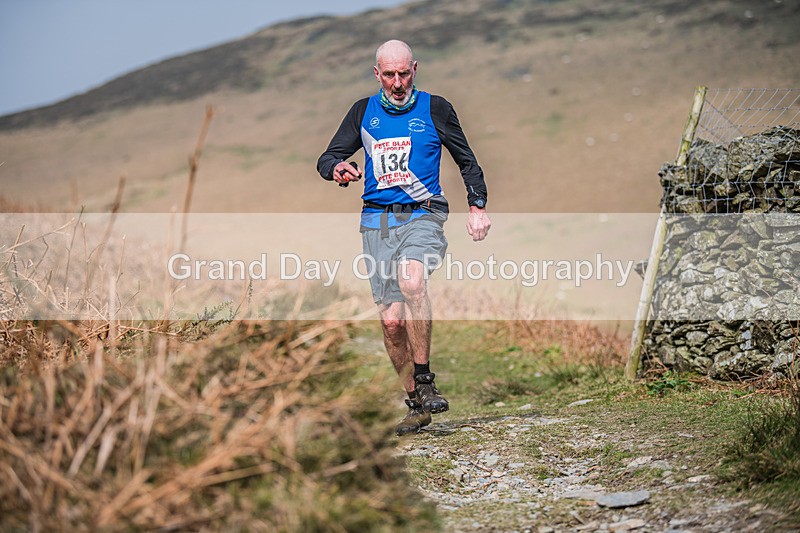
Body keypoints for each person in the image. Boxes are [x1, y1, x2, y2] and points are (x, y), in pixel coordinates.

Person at [317, 40, 491, 436]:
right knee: (391, 322)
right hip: (376, 222)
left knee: (413, 282)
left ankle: (427, 380)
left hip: (423, 215)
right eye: (389, 75)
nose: (397, 83)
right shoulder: (363, 112)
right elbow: (327, 157)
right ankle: (414, 401)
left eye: (404, 73)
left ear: (415, 69)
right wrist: (338, 168)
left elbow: (467, 160)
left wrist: (477, 206)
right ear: (376, 74)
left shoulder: (435, 108)